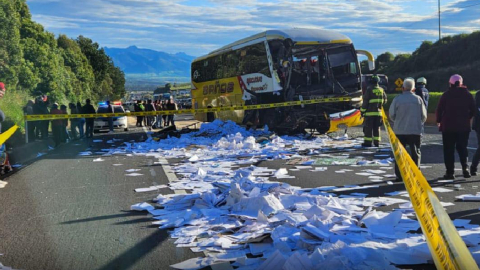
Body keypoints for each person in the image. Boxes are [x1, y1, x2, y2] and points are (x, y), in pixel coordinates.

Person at [436, 74, 476, 179]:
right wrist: (467, 117)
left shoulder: (446, 94)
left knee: (448, 149)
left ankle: (450, 172)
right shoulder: (467, 94)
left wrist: (439, 120)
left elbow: (439, 109)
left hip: (448, 126)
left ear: (450, 83)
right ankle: (465, 168)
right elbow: (473, 110)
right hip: (464, 126)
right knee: (463, 148)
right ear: (461, 83)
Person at [389, 78, 427, 181]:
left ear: (403, 88)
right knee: (416, 152)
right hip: (415, 131)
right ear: (413, 89)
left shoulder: (397, 99)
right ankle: (415, 174)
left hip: (400, 131)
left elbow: (392, 115)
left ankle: (400, 175)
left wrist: (398, 121)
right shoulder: (418, 99)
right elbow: (424, 116)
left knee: (399, 153)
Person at [360, 75, 387, 147]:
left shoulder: (369, 90)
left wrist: (362, 111)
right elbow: (385, 101)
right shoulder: (381, 90)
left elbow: (365, 102)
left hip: (369, 114)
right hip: (378, 114)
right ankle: (376, 142)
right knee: (377, 128)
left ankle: (368, 143)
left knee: (368, 128)